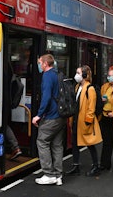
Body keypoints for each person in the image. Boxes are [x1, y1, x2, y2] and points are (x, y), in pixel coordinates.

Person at [32, 54, 66, 186]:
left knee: (42, 142)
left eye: (40, 63)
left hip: (51, 116)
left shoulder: (46, 76)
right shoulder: (57, 74)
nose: (39, 65)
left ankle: (48, 174)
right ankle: (58, 175)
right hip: (60, 116)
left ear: (45, 63)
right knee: (57, 145)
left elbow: (46, 98)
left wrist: (38, 115)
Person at [65, 65, 102, 177]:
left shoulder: (90, 89)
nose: (76, 75)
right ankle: (76, 165)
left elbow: (91, 107)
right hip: (77, 120)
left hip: (85, 121)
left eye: (79, 73)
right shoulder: (77, 87)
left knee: (90, 144)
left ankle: (96, 166)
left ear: (85, 75)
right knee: (75, 143)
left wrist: (88, 121)